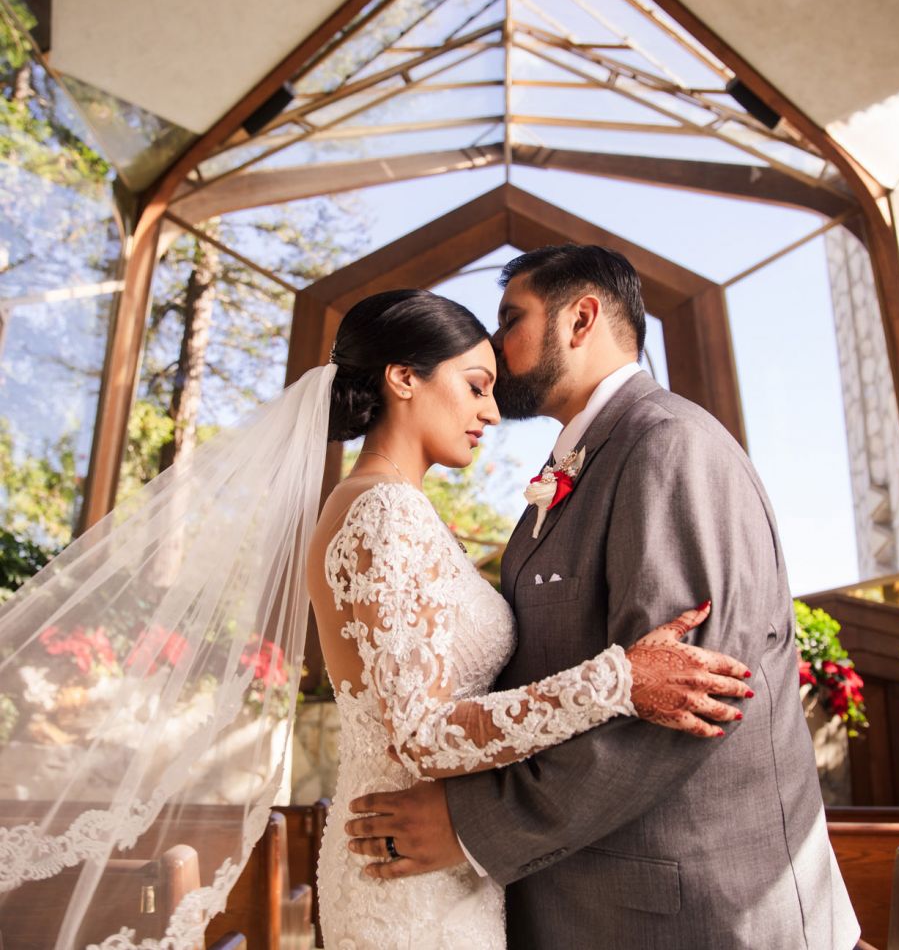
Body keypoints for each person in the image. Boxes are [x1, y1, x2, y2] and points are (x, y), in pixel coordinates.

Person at [345, 248, 861, 949]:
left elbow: (690, 700)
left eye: (511, 319)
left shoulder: (668, 446)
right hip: (585, 902)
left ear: (581, 317)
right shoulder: (571, 468)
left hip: (687, 912)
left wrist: (477, 822)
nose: (495, 346)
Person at [303, 288, 753, 949]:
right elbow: (422, 736)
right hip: (406, 870)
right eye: (476, 386)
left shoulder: (391, 507)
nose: (491, 410)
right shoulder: (383, 513)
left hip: (428, 862)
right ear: (403, 378)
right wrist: (617, 681)